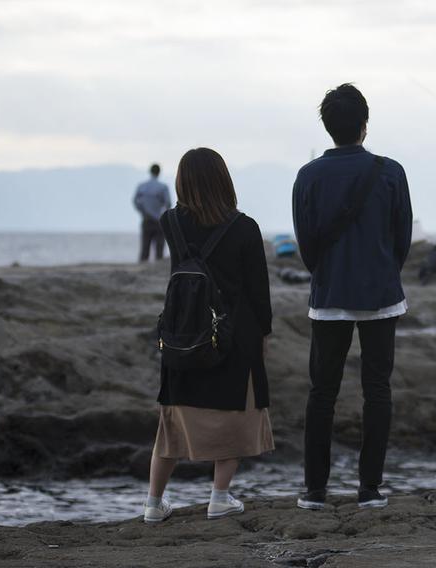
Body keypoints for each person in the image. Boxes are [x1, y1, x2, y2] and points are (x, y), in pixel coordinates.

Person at [292, 83, 412, 510]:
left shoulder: (308, 177)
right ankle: (370, 489)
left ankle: (314, 491)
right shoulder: (390, 172)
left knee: (322, 392)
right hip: (381, 292)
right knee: (376, 389)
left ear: (328, 127)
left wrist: (327, 274)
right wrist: (380, 270)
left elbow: (306, 245)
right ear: (364, 124)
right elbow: (403, 238)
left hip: (329, 296)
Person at [143, 148, 274, 523]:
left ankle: (153, 504)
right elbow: (258, 292)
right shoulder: (245, 227)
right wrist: (263, 333)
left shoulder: (171, 222)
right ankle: (219, 497)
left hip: (184, 329)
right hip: (234, 333)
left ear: (182, 182)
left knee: (172, 419)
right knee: (231, 414)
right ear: (224, 179)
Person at [133, 163, 172, 262]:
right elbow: (168, 204)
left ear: (150, 171)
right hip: (158, 220)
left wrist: (142, 211)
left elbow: (135, 201)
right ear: (159, 172)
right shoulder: (162, 187)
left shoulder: (142, 186)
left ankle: (141, 269)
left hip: (146, 219)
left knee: (145, 248)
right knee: (159, 250)